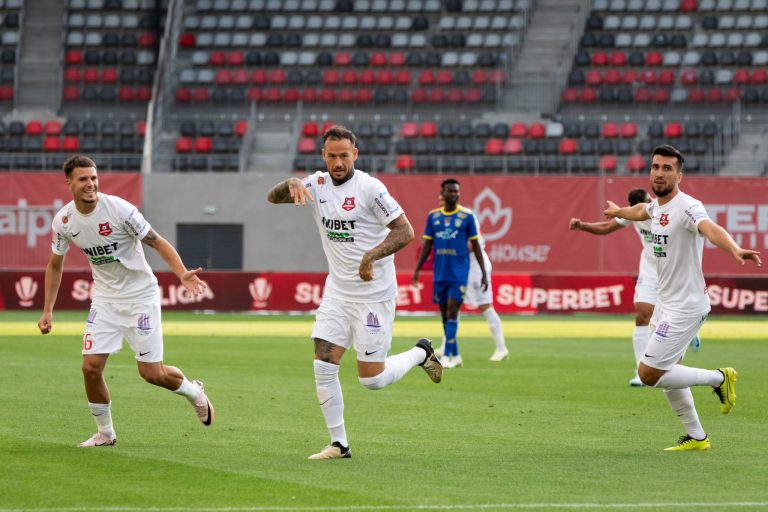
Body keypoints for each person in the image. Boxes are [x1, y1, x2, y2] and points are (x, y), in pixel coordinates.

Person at [267, 125, 442, 461]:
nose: (338, 162)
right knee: (323, 362)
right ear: (323, 155)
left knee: (371, 381)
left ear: (355, 155)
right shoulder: (315, 185)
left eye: (344, 156)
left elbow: (406, 231)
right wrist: (288, 183)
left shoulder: (370, 189)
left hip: (374, 295)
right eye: (332, 156)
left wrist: (371, 254)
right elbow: (272, 198)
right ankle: (339, 444)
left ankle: (422, 352)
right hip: (338, 292)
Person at [37, 155, 214, 448]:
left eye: (94, 178)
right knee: (90, 368)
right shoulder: (64, 221)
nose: (91, 184)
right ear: (69, 183)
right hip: (105, 299)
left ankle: (195, 393)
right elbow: (55, 265)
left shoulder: (119, 210)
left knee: (151, 374)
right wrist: (48, 310)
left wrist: (182, 273)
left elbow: (156, 241)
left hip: (140, 297)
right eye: (83, 179)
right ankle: (105, 433)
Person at [604, 144, 761, 451]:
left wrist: (734, 249)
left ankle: (719, 378)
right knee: (669, 370)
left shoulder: (688, 206)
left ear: (679, 175)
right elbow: (640, 211)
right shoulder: (655, 207)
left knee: (648, 374)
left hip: (686, 306)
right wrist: (619, 211)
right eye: (655, 167)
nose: (659, 173)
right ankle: (698, 437)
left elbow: (710, 228)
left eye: (667, 168)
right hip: (666, 303)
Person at [570, 188, 700, 387]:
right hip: (649, 270)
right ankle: (639, 369)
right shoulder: (635, 214)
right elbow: (606, 227)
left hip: (672, 270)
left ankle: (685, 332)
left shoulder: (667, 211)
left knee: (666, 316)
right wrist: (582, 226)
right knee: (642, 313)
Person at [412, 179, 487, 369]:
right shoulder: (433, 217)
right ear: (443, 193)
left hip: (459, 273)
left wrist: (484, 273)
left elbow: (476, 246)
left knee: (453, 309)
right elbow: (427, 245)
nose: (454, 194)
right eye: (450, 191)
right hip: (440, 273)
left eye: (456, 192)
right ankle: (457, 355)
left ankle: (445, 356)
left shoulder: (467, 217)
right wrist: (417, 270)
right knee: (445, 315)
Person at [433, 196, 508, 362]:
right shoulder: (442, 220)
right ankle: (447, 345)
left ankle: (501, 348)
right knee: (453, 306)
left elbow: (473, 245)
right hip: (460, 269)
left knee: (485, 305)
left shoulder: (467, 217)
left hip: (475, 269)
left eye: (443, 202)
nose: (441, 205)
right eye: (439, 203)